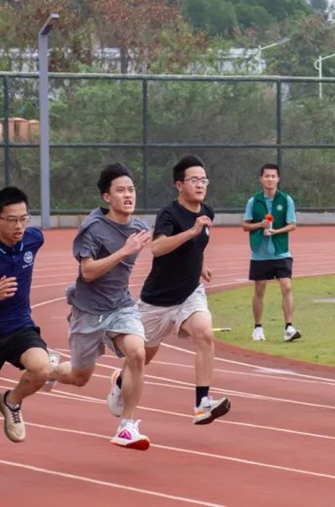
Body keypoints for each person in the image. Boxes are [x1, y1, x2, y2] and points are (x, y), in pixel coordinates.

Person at [53, 164, 152, 450]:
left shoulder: (140, 228)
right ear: (107, 197)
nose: (128, 195)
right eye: (120, 191)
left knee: (137, 353)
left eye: (131, 190)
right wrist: (124, 251)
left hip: (120, 305)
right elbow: (87, 272)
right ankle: (50, 369)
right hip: (88, 310)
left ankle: (127, 426)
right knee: (79, 377)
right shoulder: (93, 228)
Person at [129, 155, 230, 425]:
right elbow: (157, 248)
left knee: (204, 333)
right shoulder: (169, 214)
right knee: (141, 358)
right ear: (179, 185)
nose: (201, 185)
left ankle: (202, 404)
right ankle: (119, 384)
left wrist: (201, 265)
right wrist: (192, 231)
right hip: (157, 301)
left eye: (204, 180)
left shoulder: (207, 211)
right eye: (194, 180)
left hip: (189, 293)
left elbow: (198, 246)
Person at [0, 187, 54, 444]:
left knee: (42, 368)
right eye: (12, 220)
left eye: (24, 218)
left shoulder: (33, 239)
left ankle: (11, 402)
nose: (19, 226)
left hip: (19, 326)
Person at [242, 163, 299, 342]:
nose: (270, 179)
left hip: (281, 251)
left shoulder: (286, 200)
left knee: (286, 286)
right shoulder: (253, 201)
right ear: (261, 178)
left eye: (273, 176)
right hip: (260, 253)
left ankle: (289, 327)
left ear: (278, 179)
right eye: (267, 176)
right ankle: (258, 327)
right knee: (259, 289)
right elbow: (245, 226)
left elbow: (292, 225)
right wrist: (260, 225)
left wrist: (276, 231)